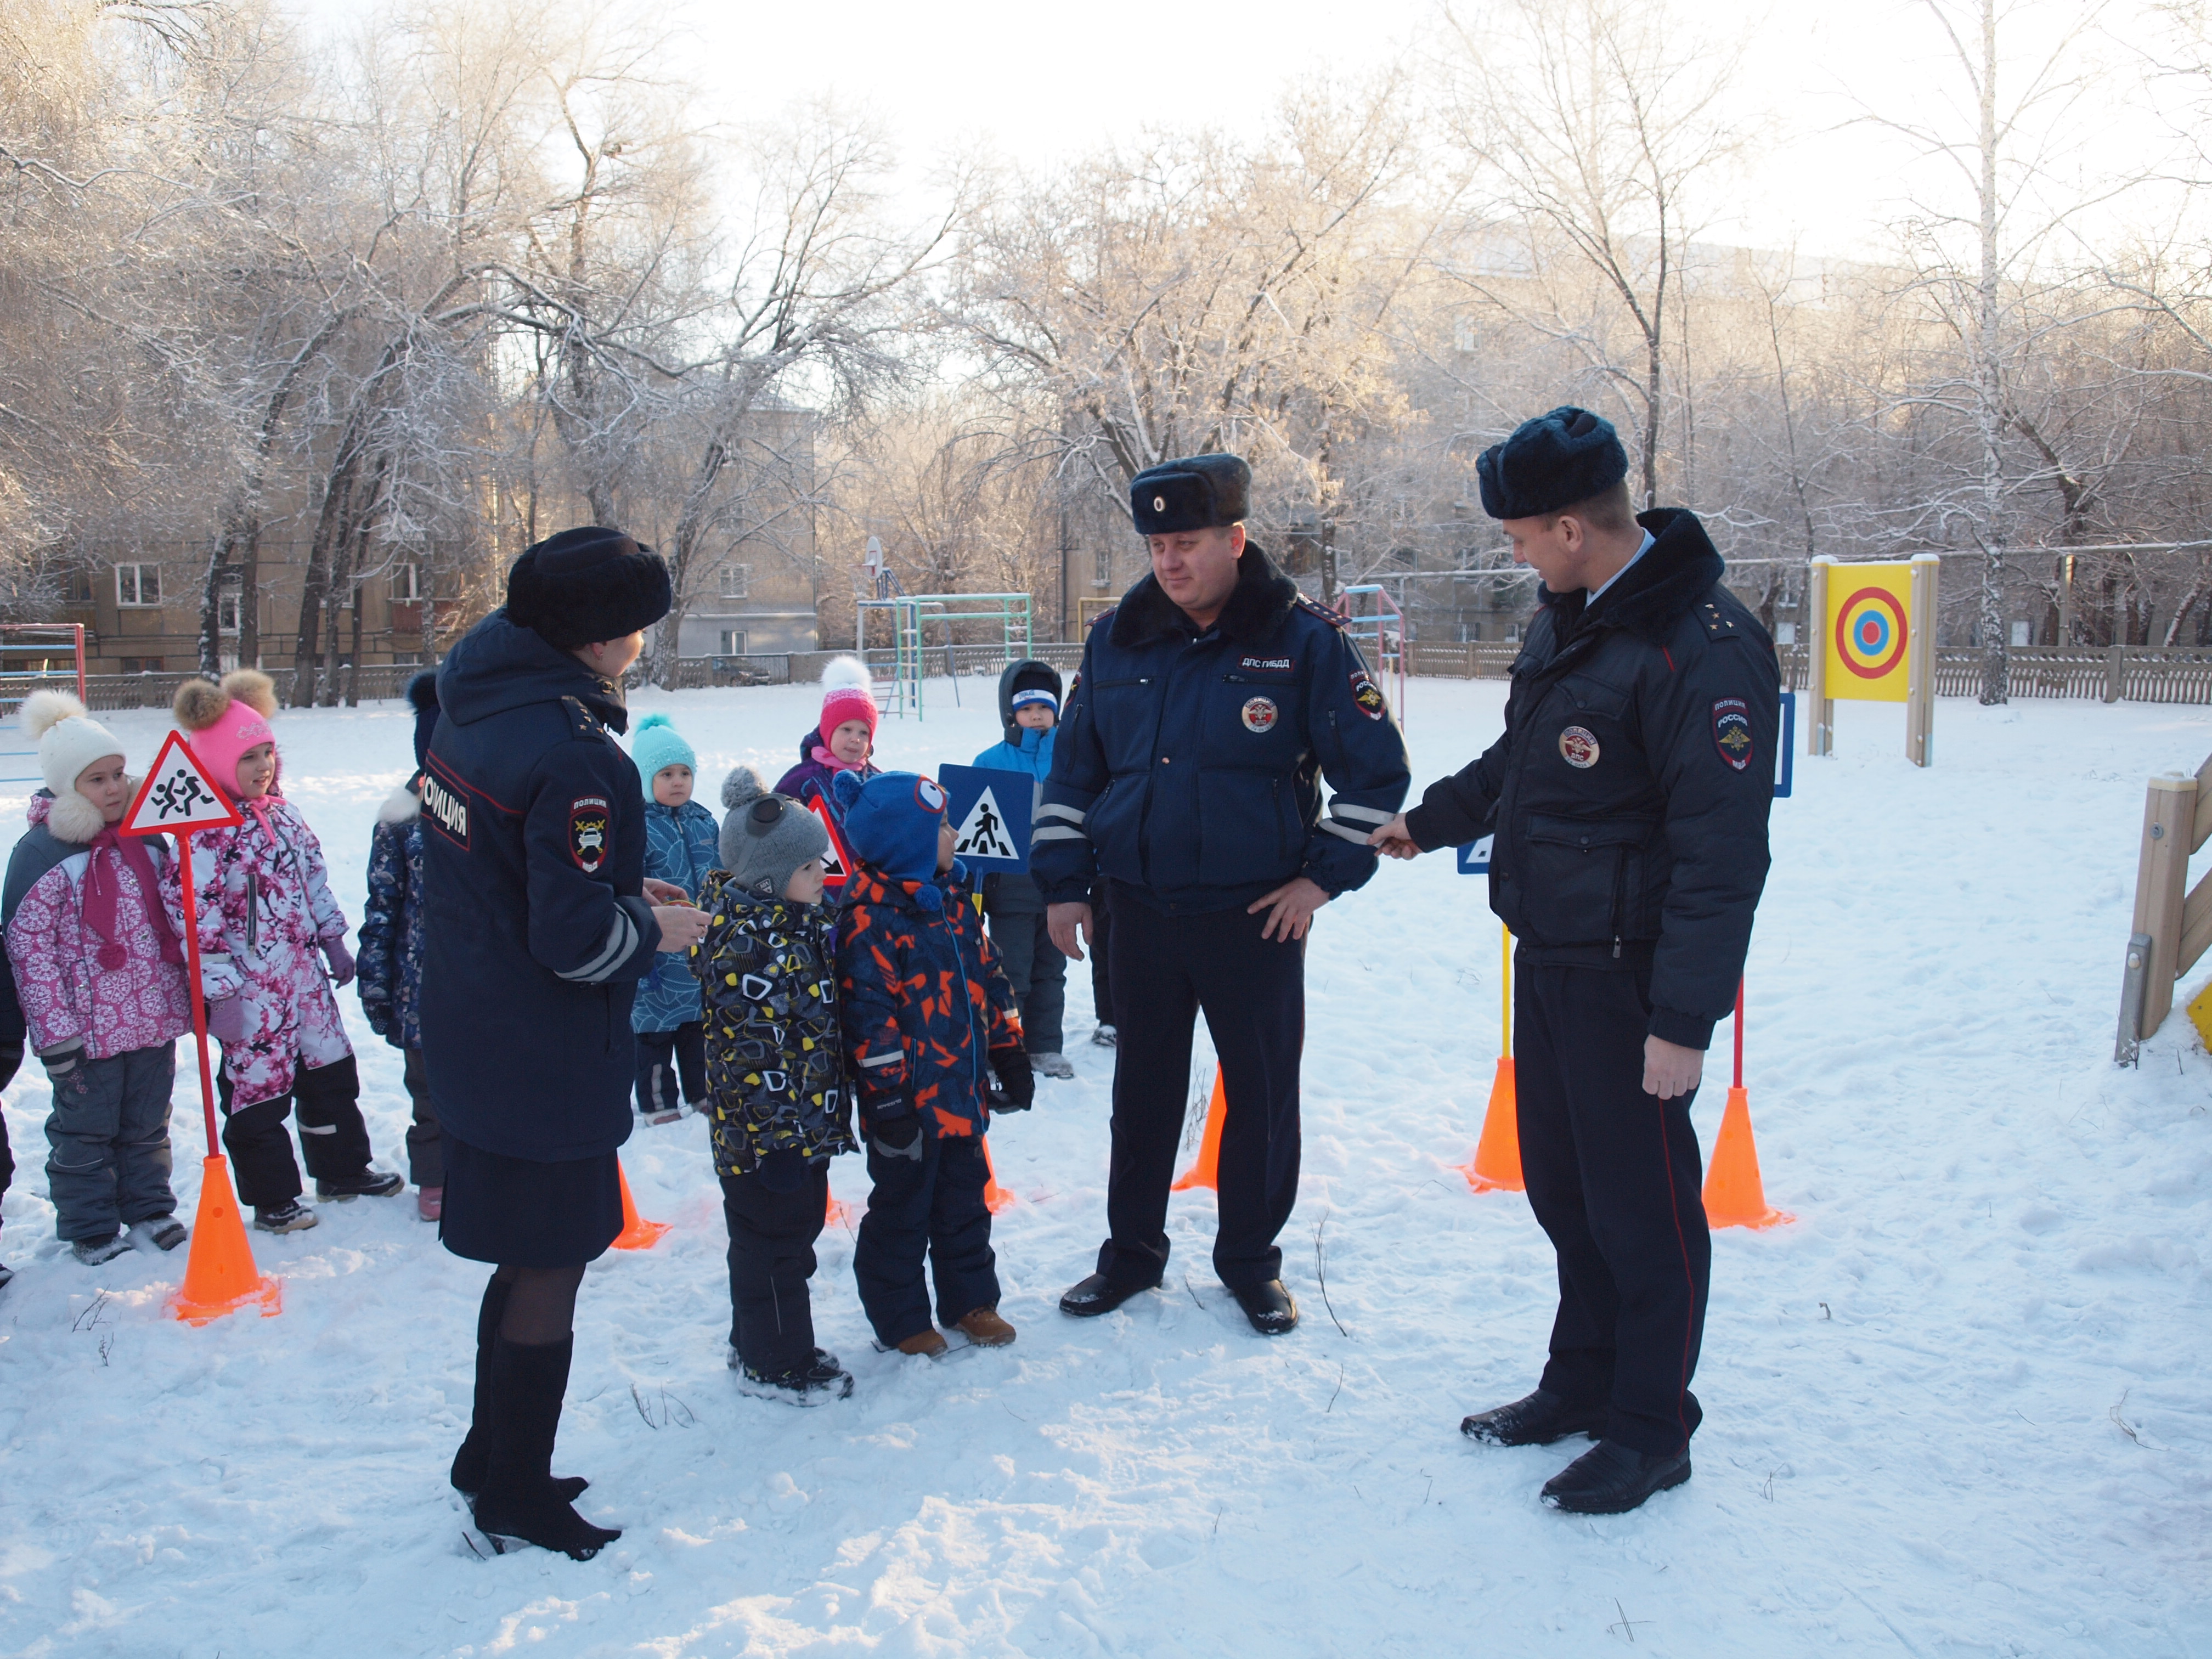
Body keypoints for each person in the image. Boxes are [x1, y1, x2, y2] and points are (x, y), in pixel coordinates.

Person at [1367, 405, 1780, 1516]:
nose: (1512, 555)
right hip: (1550, 959)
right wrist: (1433, 820)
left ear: (1568, 527)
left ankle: (1654, 1428)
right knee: (1567, 1194)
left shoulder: (1703, 646)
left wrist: (1682, 1025)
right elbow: (1527, 755)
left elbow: (1722, 854)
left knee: (1644, 1212)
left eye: (1517, 537)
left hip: (1633, 982)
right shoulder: (1574, 616)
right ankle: (1582, 1381)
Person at [1036, 452, 1411, 1337]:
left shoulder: (1304, 640)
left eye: (1188, 542)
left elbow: (1376, 773)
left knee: (1260, 1093)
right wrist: (1063, 886)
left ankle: (1249, 1262)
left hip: (1254, 915)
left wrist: (1320, 876)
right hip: (1138, 906)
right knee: (1143, 1091)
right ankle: (1130, 1255)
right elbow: (1073, 772)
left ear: (1235, 539)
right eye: (1157, 544)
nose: (1169, 562)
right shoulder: (1116, 638)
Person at [419, 524, 709, 1561]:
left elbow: (508, 871)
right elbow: (570, 935)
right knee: (550, 1260)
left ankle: (489, 1451)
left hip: (471, 1021)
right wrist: (650, 927)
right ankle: (515, 1489)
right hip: (540, 1048)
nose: (639, 640)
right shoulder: (575, 753)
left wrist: (621, 891)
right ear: (596, 637)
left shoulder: (467, 700)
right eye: (633, 623)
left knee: (520, 1248)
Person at [166, 671, 403, 1234]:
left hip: (304, 976)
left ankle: (342, 1169)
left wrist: (332, 939)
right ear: (220, 763)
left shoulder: (285, 814)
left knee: (330, 1072)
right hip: (251, 988)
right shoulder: (205, 833)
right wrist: (217, 985)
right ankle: (273, 1196)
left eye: (269, 752)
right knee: (258, 1089)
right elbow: (193, 911)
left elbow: (314, 878)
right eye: (249, 757)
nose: (264, 766)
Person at [833, 767, 1031, 1358]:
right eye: (942, 825)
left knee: (965, 1202)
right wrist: (888, 1099)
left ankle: (972, 1301)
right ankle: (901, 1319)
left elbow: (989, 978)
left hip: (961, 1095)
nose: (954, 833)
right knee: (903, 1212)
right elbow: (868, 1017)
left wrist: (1008, 1047)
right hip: (908, 1107)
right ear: (909, 843)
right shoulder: (869, 920)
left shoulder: (954, 902)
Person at [2, 692, 190, 1263]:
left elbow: (174, 918)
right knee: (85, 1132)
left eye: (117, 775)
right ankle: (90, 1225)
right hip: (85, 1034)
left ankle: (149, 1208)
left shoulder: (147, 842)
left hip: (149, 1018)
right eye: (95, 780)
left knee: (148, 1123)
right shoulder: (42, 856)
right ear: (65, 789)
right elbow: (29, 955)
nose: (112, 789)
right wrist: (55, 1036)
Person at [696, 765, 855, 1403]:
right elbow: (747, 1058)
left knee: (786, 1240)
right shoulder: (747, 945)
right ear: (768, 878)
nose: (823, 873)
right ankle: (776, 1362)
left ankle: (758, 1340)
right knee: (774, 1247)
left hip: (801, 1123)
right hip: (765, 1140)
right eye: (810, 866)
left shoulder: (796, 923)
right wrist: (780, 1142)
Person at [358, 672, 445, 1220]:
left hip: (484, 985)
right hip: (422, 990)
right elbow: (382, 907)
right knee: (429, 1094)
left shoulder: (493, 809)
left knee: (487, 1090)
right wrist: (376, 983)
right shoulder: (401, 821)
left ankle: (487, 1170)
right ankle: (435, 1178)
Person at [970, 658, 1074, 1079]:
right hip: (1011, 888)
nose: (1036, 715)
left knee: (1051, 969)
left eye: (1045, 708)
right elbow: (971, 831)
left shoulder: (1071, 759)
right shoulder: (990, 760)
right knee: (1012, 970)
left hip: (1060, 886)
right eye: (1027, 707)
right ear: (1010, 712)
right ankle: (1006, 1047)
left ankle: (1045, 1045)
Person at [628, 712, 719, 1126]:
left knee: (697, 1028)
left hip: (699, 945)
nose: (678, 781)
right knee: (653, 1032)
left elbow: (720, 873)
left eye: (685, 772)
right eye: (666, 773)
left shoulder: (705, 821)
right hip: (658, 954)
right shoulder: (636, 827)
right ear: (647, 780)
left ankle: (701, 1093)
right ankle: (658, 1101)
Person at [775, 656, 879, 846]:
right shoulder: (803, 779)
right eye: (846, 729)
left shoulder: (875, 780)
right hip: (816, 872)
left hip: (866, 873)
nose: (855, 739)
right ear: (827, 731)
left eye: (864, 733)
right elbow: (775, 822)